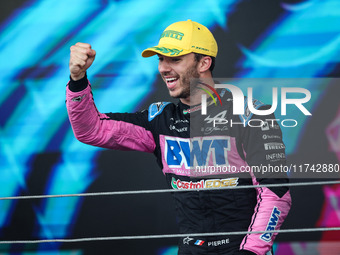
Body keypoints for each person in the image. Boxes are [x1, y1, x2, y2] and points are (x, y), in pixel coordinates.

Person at [66, 20, 291, 255]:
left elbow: (276, 194)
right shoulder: (159, 120)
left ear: (204, 62)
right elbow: (90, 130)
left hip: (242, 250)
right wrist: (78, 78)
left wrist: (250, 252)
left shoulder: (250, 115)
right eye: (161, 59)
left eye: (175, 59)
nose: (164, 68)